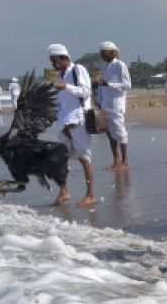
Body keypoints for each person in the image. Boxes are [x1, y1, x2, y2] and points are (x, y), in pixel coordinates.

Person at [48, 42, 97, 206]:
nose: (53, 65)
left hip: (79, 119)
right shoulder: (59, 76)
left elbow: (85, 91)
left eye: (55, 61)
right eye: (51, 61)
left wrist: (66, 86)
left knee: (84, 157)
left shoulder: (78, 70)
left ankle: (90, 195)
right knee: (60, 158)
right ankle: (64, 191)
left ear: (64, 58)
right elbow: (61, 101)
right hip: (63, 121)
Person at [96, 40, 131, 171]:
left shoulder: (120, 66)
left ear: (111, 52)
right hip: (105, 104)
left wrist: (109, 84)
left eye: (103, 52)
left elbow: (127, 85)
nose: (102, 55)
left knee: (120, 132)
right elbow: (101, 85)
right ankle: (116, 161)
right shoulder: (104, 67)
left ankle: (125, 162)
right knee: (110, 133)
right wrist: (98, 99)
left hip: (116, 104)